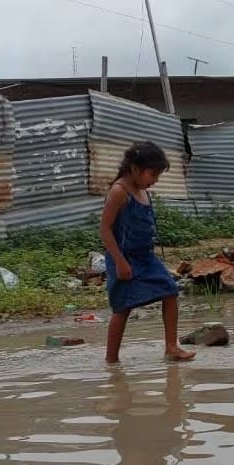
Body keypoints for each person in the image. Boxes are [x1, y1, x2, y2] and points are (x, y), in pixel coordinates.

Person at [101, 141, 195, 364]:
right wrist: (120, 262)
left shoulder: (141, 190)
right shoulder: (119, 191)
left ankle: (172, 346)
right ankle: (111, 360)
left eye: (158, 175)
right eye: (153, 174)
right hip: (124, 258)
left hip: (146, 257)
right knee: (122, 307)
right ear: (134, 169)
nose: (155, 180)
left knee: (170, 291)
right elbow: (105, 229)